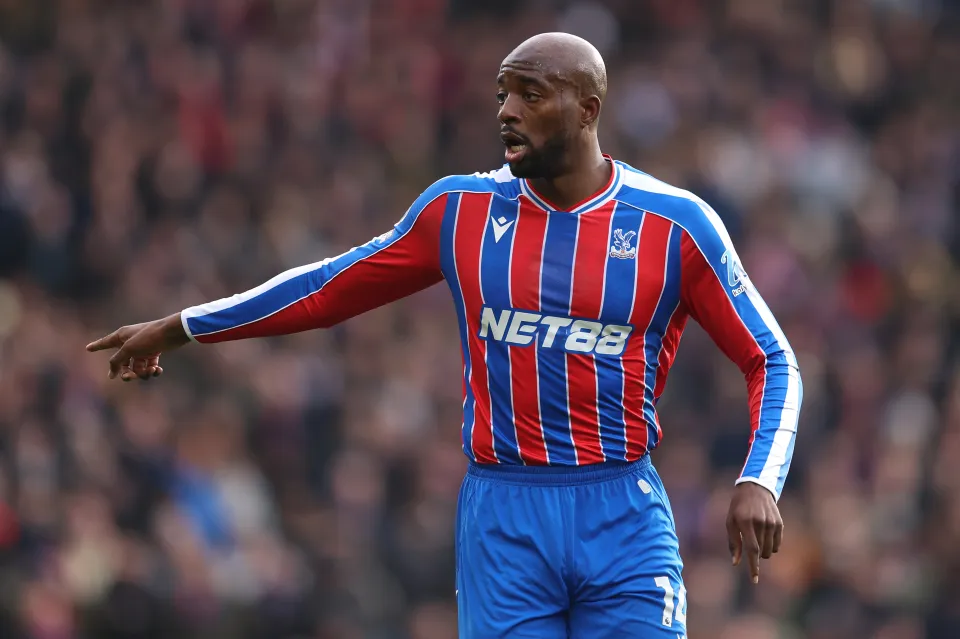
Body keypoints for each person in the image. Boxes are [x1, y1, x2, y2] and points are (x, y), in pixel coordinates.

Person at [88, 32, 802, 638]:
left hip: (622, 512)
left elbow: (771, 359)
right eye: (502, 95)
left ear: (588, 109)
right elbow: (327, 289)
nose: (507, 111)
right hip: (504, 517)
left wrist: (759, 477)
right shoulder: (459, 211)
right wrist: (183, 326)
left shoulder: (675, 225)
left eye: (530, 94)